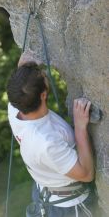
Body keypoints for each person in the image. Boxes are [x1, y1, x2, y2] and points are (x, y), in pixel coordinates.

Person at [7, 51, 97, 217]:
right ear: (43, 95)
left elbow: (22, 89)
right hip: (69, 207)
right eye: (44, 77)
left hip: (44, 189)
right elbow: (86, 174)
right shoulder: (46, 143)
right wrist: (79, 127)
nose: (45, 74)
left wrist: (23, 70)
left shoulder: (16, 108)